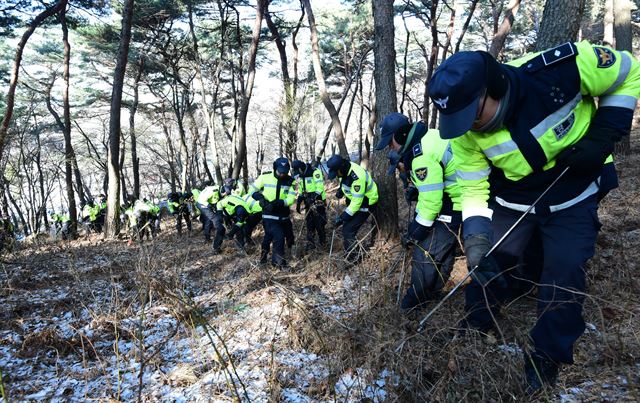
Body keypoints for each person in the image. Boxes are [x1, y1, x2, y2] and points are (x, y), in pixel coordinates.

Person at [428, 41, 640, 393]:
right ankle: (476, 324)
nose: (469, 127)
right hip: (513, 203)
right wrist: (478, 239)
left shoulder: (562, 68)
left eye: (472, 115)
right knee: (489, 264)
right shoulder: (466, 134)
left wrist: (604, 135)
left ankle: (546, 357)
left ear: (492, 88)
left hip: (574, 193)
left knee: (564, 272)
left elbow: (629, 71)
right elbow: (472, 187)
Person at [376, 113, 462, 311]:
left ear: (401, 134)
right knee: (443, 250)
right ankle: (432, 294)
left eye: (390, 142)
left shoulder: (420, 155)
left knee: (425, 252)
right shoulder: (428, 136)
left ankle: (413, 302)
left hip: (455, 202)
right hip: (458, 199)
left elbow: (431, 203)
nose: (390, 146)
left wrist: (416, 232)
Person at [326, 155, 378, 265]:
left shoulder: (357, 176)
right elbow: (345, 179)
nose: (336, 176)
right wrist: (341, 190)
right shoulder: (345, 168)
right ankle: (352, 253)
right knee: (347, 229)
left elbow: (357, 202)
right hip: (356, 201)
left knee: (348, 230)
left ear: (341, 168)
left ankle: (355, 259)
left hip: (366, 202)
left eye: (336, 174)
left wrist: (343, 217)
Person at [249, 157, 296, 267]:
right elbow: (252, 190)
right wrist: (261, 199)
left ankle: (263, 258)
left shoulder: (290, 181)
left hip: (284, 215)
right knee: (279, 237)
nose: (282, 175)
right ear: (275, 168)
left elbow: (291, 198)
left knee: (272, 236)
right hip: (269, 215)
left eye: (284, 172)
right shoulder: (265, 177)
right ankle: (279, 263)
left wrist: (281, 202)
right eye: (280, 172)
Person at [292, 159, 327, 251]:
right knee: (309, 223)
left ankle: (323, 244)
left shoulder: (315, 171)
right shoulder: (298, 175)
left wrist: (314, 197)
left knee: (320, 223)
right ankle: (310, 245)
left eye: (297, 170)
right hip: (308, 201)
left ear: (300, 168)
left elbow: (320, 187)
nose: (296, 173)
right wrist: (299, 200)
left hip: (318, 200)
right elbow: (300, 188)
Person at [215, 185, 254, 253]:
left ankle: (240, 247)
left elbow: (239, 223)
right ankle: (217, 247)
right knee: (225, 228)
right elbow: (220, 205)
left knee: (239, 228)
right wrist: (221, 217)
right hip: (234, 212)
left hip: (236, 212)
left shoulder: (226, 200)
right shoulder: (231, 198)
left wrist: (231, 233)